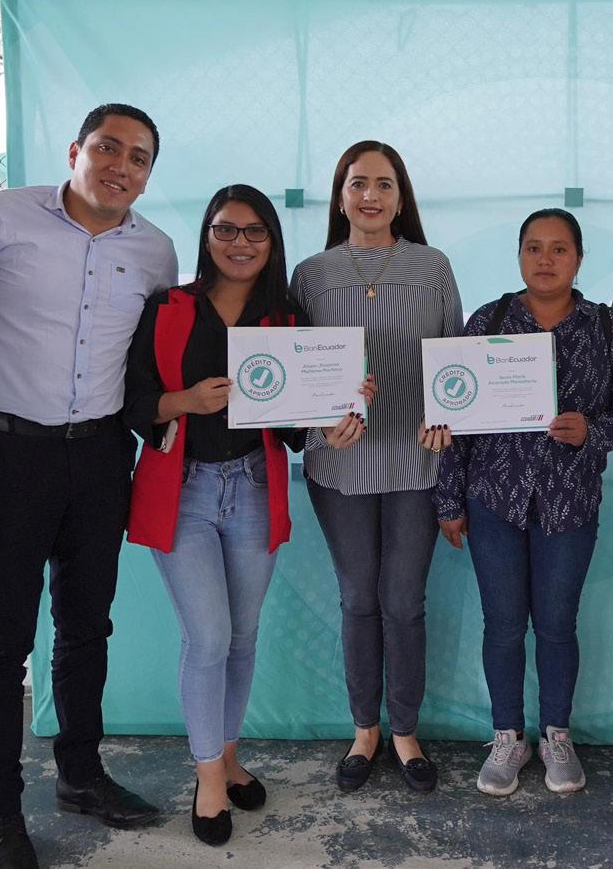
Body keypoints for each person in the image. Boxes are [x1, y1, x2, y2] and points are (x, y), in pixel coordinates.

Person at [0, 104, 178, 869]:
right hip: (5, 454)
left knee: (87, 626)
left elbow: (153, 358)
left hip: (100, 457)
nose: (120, 166)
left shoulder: (154, 251)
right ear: (75, 150)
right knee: (2, 640)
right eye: (107, 148)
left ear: (148, 175)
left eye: (138, 157)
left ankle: (81, 774)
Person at [122, 184, 372, 844]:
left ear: (272, 241)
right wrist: (182, 401)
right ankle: (209, 777)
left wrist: (334, 420)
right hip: (185, 490)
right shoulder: (169, 308)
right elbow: (132, 399)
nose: (240, 243)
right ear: (207, 235)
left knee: (241, 636)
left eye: (255, 231)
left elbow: (293, 425)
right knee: (207, 638)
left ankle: (228, 755)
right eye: (226, 229)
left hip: (256, 487)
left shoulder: (286, 319)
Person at [424, 209, 613, 797]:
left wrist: (592, 431)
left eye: (559, 248)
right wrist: (448, 500)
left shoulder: (606, 328)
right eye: (533, 247)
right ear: (519, 255)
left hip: (569, 504)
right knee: (501, 625)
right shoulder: (488, 322)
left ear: (579, 258)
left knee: (556, 625)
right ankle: (507, 736)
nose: (545, 259)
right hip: (494, 500)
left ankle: (556, 736)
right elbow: (454, 418)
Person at [290, 140, 463, 794]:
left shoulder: (432, 266)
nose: (371, 195)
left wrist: (450, 413)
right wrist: (319, 426)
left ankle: (405, 731)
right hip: (340, 467)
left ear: (400, 195)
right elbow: (296, 376)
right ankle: (365, 730)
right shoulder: (311, 274)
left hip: (416, 463)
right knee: (359, 599)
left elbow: (455, 360)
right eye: (358, 183)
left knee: (403, 602)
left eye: (384, 184)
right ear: (340, 196)